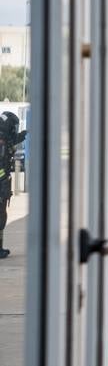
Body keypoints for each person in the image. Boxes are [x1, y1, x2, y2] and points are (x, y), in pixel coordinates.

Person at [0, 111, 25, 259]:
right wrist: (3, 182)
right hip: (1, 186)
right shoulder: (1, 144)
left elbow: (11, 141)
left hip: (2, 185)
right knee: (1, 217)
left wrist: (20, 136)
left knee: (2, 217)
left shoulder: (4, 140)